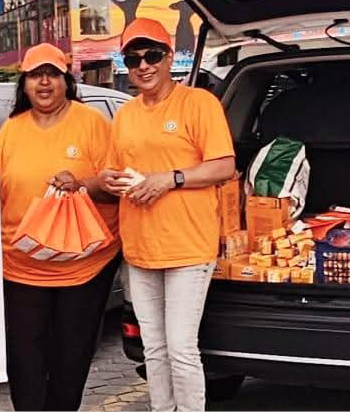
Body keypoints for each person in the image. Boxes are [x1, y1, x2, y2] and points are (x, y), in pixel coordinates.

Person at [99, 18, 236, 412]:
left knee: (180, 348)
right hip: (140, 249)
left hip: (188, 249)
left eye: (152, 55)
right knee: (153, 349)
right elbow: (117, 171)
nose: (143, 65)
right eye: (134, 58)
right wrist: (111, 179)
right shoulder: (125, 115)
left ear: (169, 57)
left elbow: (223, 166)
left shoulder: (198, 103)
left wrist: (170, 179)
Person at [0, 42, 122, 411]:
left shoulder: (93, 125)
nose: (44, 83)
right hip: (21, 267)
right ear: (24, 84)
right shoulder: (9, 132)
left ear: (66, 81)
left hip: (83, 268)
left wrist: (82, 182)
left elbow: (116, 189)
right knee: (25, 360)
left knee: (71, 358)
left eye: (52, 75)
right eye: (35, 76)